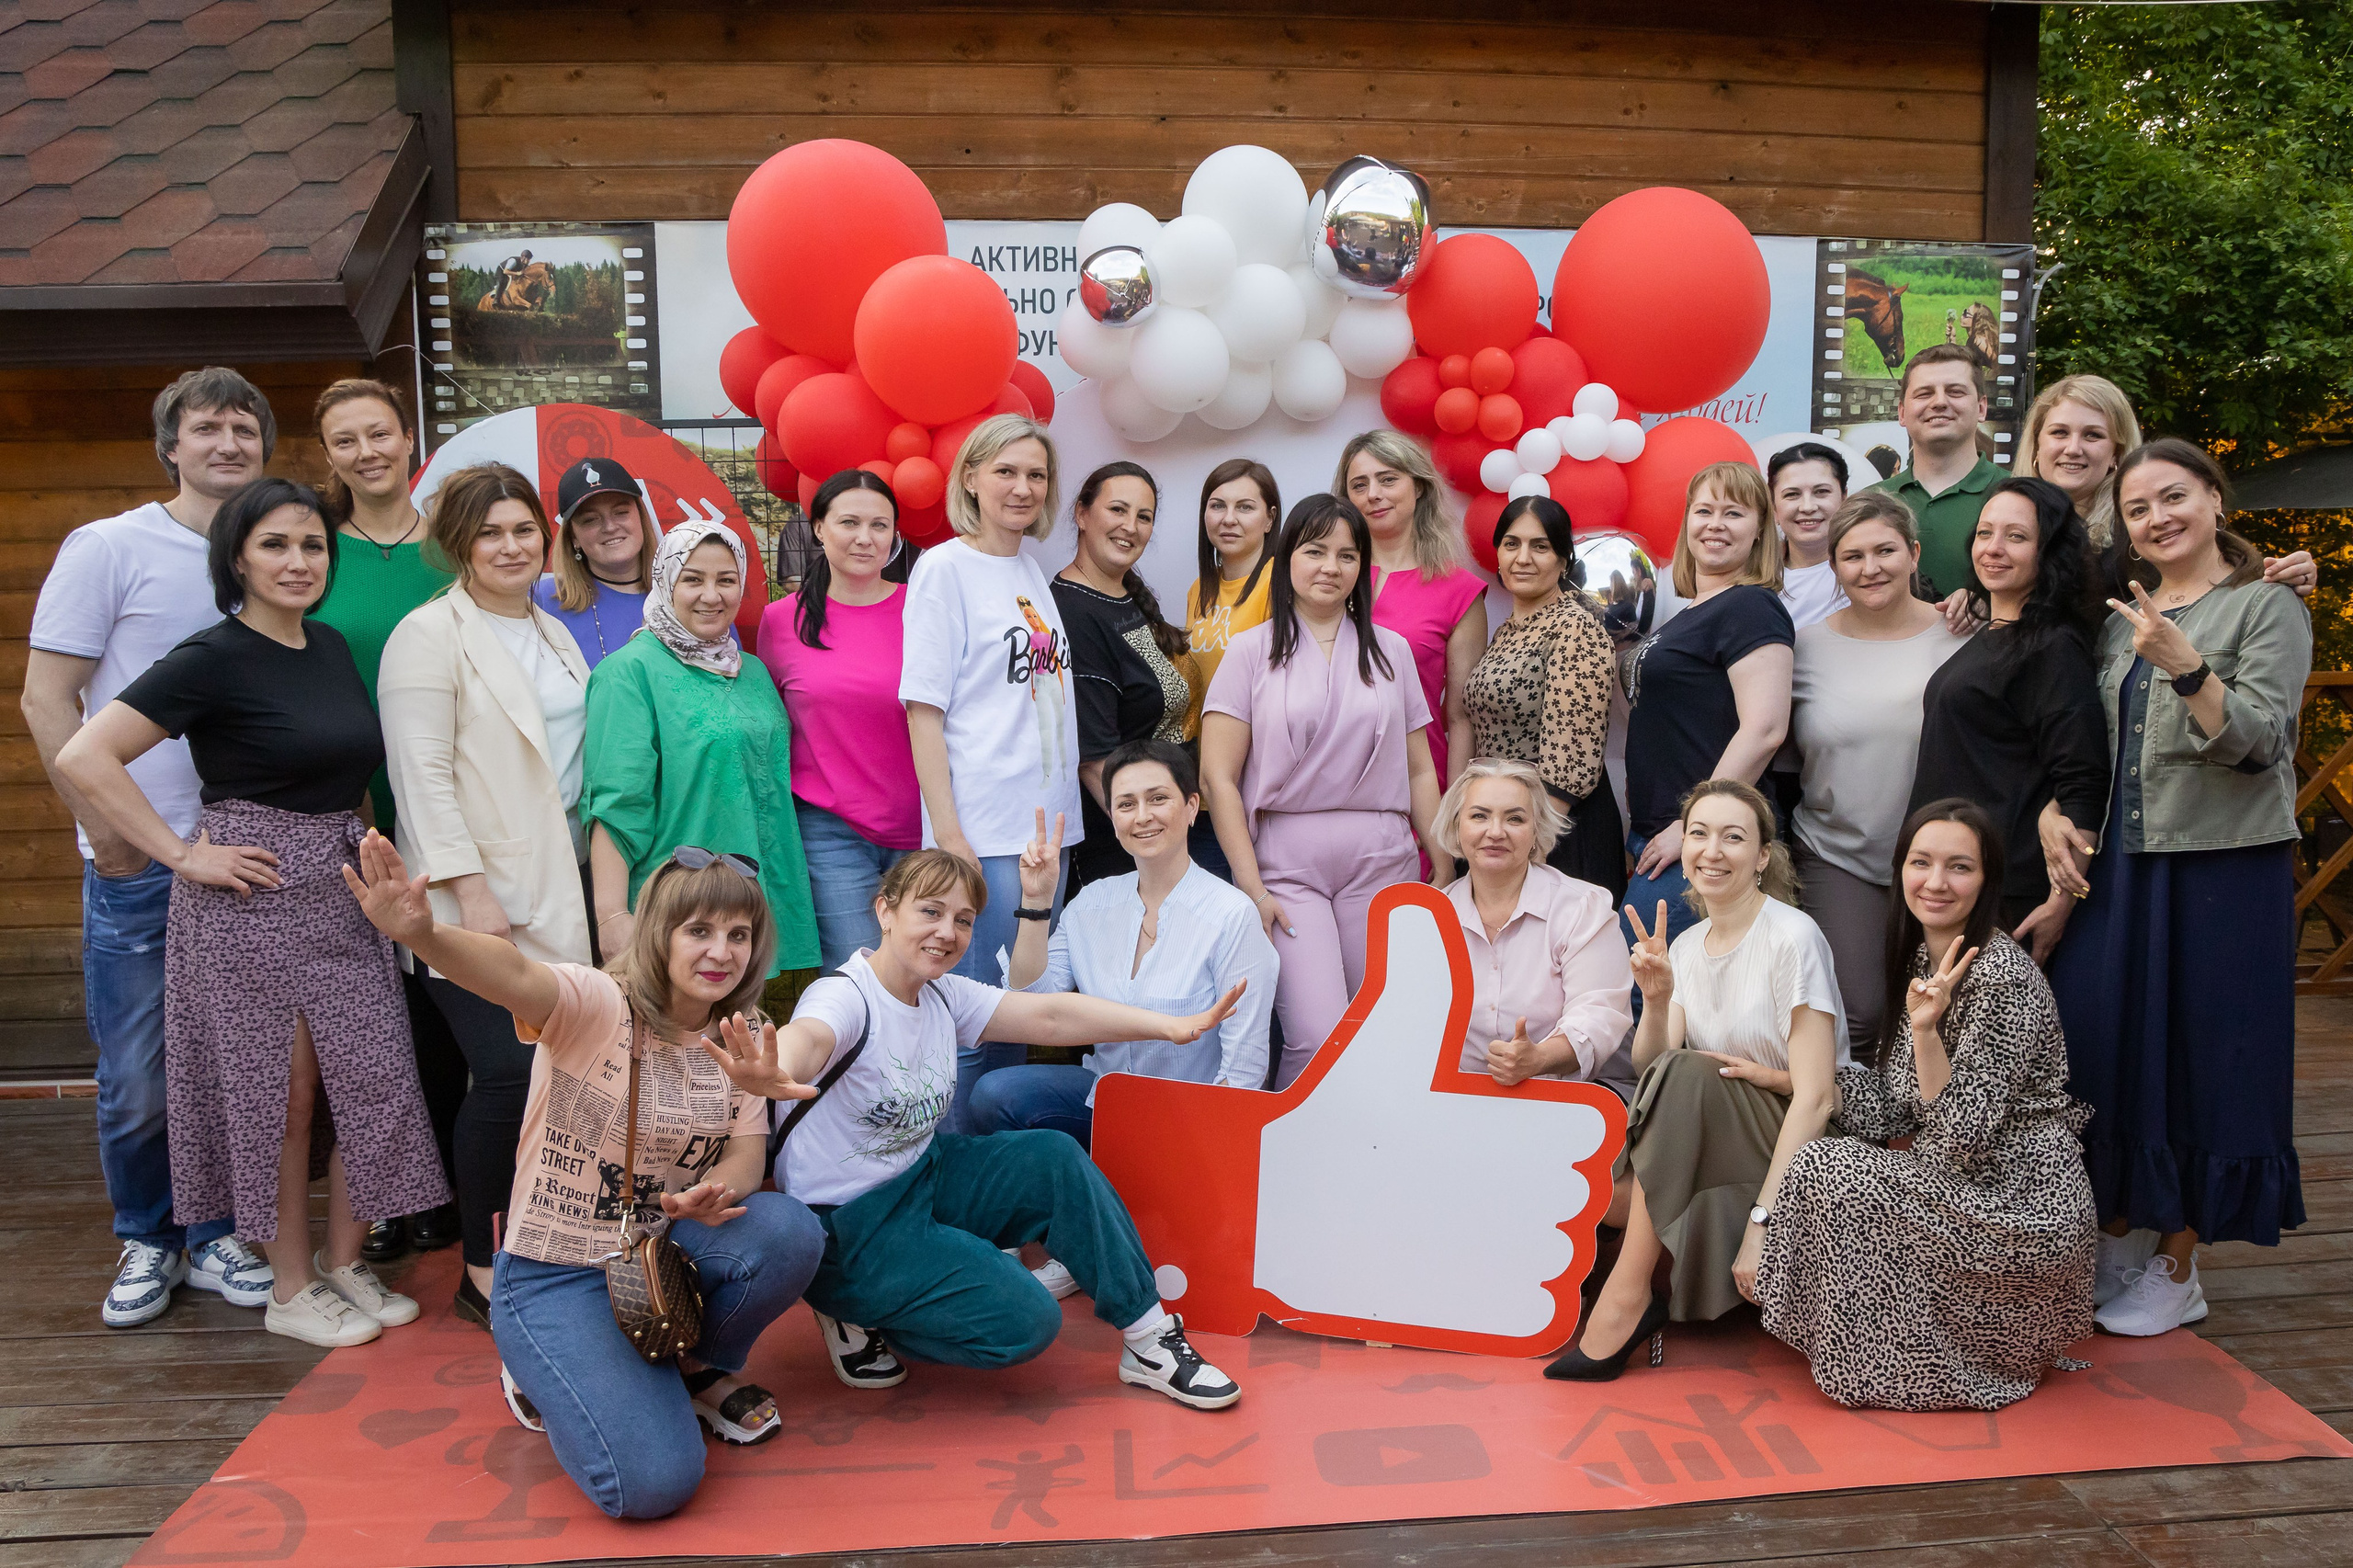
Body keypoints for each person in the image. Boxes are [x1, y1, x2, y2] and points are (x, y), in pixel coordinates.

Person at [57, 478, 448, 1348]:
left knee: (373, 1078)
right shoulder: (211, 655)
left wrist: (374, 853)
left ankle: (347, 1264)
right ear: (236, 557)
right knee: (287, 1096)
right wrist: (183, 854)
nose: (298, 561)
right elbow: (87, 755)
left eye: (312, 546)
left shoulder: (332, 646)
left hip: (345, 888)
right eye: (275, 545)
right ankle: (290, 1284)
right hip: (253, 891)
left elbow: (348, 772)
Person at [344, 835, 827, 1518]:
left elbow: (749, 1154)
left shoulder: (741, 1031)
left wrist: (718, 1190)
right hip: (555, 1273)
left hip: (656, 1257)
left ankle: (689, 1367)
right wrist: (424, 934)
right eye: (699, 930)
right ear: (660, 931)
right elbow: (512, 973)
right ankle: (545, 1368)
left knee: (789, 1231)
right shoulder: (597, 999)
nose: (722, 951)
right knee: (654, 1486)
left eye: (738, 934)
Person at [702, 848, 1245, 1411]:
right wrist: (775, 1068)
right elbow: (810, 1037)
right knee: (1025, 1323)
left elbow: (1052, 1016)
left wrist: (1173, 1028)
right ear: (885, 911)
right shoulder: (845, 995)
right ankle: (852, 1306)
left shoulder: (941, 992)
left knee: (1052, 1158)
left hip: (923, 1175)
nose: (948, 932)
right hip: (853, 1225)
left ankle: (1149, 1340)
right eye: (930, 912)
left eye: (963, 920)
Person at [24, 367, 278, 1327]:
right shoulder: (111, 547)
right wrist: (107, 830)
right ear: (170, 446)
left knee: (222, 1063)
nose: (226, 443)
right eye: (206, 428)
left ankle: (213, 1230)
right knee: (137, 1073)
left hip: (245, 858)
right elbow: (49, 699)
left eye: (243, 429)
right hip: (141, 859)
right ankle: (147, 1232)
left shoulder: (269, 552)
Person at [2047, 439, 2312, 1337]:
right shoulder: (2125, 613)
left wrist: (2186, 662)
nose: (2157, 517)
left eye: (2174, 497)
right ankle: (2122, 1229)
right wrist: (2058, 808)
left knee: (2209, 1054)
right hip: (2127, 857)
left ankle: (2179, 1260)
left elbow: (2259, 740)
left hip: (2222, 861)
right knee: (2113, 1042)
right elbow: (2091, 732)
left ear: (2212, 497)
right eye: (2137, 508)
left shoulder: (2266, 604)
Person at [1758, 800, 2096, 1411]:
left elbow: (1961, 1138)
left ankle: (1930, 1366)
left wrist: (1926, 1033)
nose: (1936, 882)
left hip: (2019, 1205)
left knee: (1824, 1168)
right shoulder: (1924, 956)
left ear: (1987, 879)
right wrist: (1794, 1080)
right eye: (1922, 862)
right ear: (1900, 870)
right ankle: (1876, 1355)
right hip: (1966, 1189)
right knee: (1820, 1148)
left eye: (1959, 867)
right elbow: (1893, 1108)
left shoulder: (2002, 977)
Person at [379, 462, 593, 1326]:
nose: (510, 546)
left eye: (523, 530)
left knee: (558, 1074)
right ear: (458, 543)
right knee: (506, 1076)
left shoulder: (554, 631)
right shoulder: (427, 636)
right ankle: (480, 1267)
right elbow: (420, 778)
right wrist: (470, 894)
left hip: (562, 883)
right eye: (490, 532)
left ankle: (550, 1242)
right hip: (477, 895)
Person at [1549, 778, 1842, 1381]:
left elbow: (1816, 1099)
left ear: (1763, 856)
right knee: (1584, 1176)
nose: (1712, 850)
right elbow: (1653, 1071)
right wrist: (1655, 1001)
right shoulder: (1683, 945)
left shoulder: (1793, 937)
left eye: (1733, 837)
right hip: (1698, 1139)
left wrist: (1762, 1225)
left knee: (1688, 1073)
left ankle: (1627, 1300)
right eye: (1699, 833)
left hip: (1787, 1142)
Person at [1200, 494, 1449, 1085]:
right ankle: (1305, 1170)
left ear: (1363, 566)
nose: (1330, 567)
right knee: (1316, 1036)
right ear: (1287, 558)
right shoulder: (1249, 651)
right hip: (1286, 868)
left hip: (1384, 858)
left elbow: (1419, 769)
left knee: (1387, 1030)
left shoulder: (1392, 651)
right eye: (1315, 551)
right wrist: (1251, 887)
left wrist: (1442, 855)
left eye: (1346, 554)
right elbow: (1218, 778)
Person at [306, 377, 464, 1266]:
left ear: (410, 440)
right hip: (348, 806)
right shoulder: (316, 549)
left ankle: (436, 1183)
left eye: (380, 434)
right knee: (373, 1017)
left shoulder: (450, 546)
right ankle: (383, 1190)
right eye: (345, 441)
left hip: (442, 802)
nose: (367, 453)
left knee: (440, 1004)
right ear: (328, 456)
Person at [900, 415, 1083, 1122]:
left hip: (1045, 833)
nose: (1022, 487)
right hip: (984, 835)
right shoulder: (945, 569)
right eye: (1005, 471)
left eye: (1035, 474)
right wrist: (950, 838)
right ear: (969, 478)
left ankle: (994, 1180)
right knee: (972, 1025)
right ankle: (956, 1179)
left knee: (1018, 1013)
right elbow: (924, 711)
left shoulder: (1029, 570)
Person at [970, 739, 1277, 1144]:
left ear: (1190, 808)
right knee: (995, 1095)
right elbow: (1031, 1001)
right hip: (1106, 1099)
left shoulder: (1231, 915)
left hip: (1191, 1116)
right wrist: (1037, 904)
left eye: (1158, 798)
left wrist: (1207, 1153)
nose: (1143, 816)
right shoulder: (1092, 903)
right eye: (1126, 804)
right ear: (1112, 818)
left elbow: (1243, 1071)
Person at [584, 519, 820, 976]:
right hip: (678, 910)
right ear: (666, 582)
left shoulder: (751, 672)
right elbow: (615, 805)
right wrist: (612, 917)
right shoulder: (629, 673)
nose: (711, 595)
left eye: (726, 580)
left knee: (743, 1043)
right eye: (692, 579)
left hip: (751, 908)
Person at [1790, 494, 1968, 1052]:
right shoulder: (1802, 647)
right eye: (1852, 556)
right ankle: (1852, 1137)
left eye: (1885, 550)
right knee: (1860, 1015)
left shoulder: (1964, 635)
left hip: (1943, 860)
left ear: (1913, 553)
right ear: (1834, 567)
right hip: (1838, 852)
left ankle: (1933, 1138)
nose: (1871, 568)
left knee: (1949, 1016)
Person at [1907, 477, 2107, 958]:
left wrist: (2062, 901)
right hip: (1951, 883)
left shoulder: (2051, 646)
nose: (1993, 549)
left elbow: (2082, 782)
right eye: (1984, 533)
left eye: (2016, 537)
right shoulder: (1993, 633)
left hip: (2006, 891)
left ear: (2049, 551)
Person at [1620, 462, 1793, 950]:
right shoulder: (1692, 611)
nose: (1715, 523)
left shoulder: (1750, 606)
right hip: (1664, 833)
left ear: (1760, 529)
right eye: (1704, 511)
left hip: (1709, 843)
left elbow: (1765, 729)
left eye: (1734, 512)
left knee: (1655, 1000)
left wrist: (1696, 829)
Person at [759, 471, 919, 971]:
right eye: (849, 522)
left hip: (922, 826)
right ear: (819, 529)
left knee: (926, 974)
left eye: (880, 525)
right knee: (858, 979)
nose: (865, 538)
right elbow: (773, 725)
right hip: (831, 831)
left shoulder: (923, 610)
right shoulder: (780, 621)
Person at [1437, 758, 1633, 1090]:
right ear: (1457, 827)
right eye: (1479, 816)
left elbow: (1598, 1015)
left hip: (1559, 1097)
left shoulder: (1581, 908)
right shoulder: (1431, 917)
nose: (1495, 832)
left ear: (1536, 831)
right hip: (1452, 1101)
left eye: (1514, 818)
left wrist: (1539, 1058)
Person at [1464, 495, 1622, 899]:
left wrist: (1534, 847)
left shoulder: (1574, 627)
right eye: (1512, 544)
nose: (1523, 558)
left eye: (1541, 546)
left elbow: (1573, 752)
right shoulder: (1507, 630)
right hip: (1510, 829)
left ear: (1563, 560)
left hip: (1559, 832)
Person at [1052, 463, 1193, 889]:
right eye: (1117, 510)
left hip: (1162, 829)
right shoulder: (1073, 612)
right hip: (1123, 847)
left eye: (1144, 516)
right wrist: (1149, 839)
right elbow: (1092, 758)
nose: (1130, 527)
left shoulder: (1121, 595)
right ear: (1082, 514)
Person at [1336, 430, 1486, 784]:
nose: (1373, 494)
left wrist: (1455, 806)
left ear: (1419, 487)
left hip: (1418, 782)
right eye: (1359, 485)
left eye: (1388, 479)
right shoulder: (1326, 576)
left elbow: (1461, 718)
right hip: (1327, 776)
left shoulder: (1460, 590)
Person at [1182, 460, 1282, 879]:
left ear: (1269, 518)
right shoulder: (1199, 590)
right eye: (1217, 505)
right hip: (1205, 787)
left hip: (1258, 793)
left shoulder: (1282, 582)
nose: (1228, 519)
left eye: (1245, 507)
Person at [1865, 345, 2004, 604]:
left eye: (1955, 392)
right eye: (1924, 393)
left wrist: (1988, 603)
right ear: (1902, 413)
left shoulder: (2019, 495)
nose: (1939, 402)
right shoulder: (1871, 502)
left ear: (1982, 408)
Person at [532, 458, 655, 667]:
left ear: (641, 518)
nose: (609, 527)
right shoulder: (541, 601)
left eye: (621, 513)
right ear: (573, 538)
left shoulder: (685, 594)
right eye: (590, 519)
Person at [1767, 442, 1851, 629]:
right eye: (1792, 494)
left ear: (1844, 498)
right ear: (1774, 506)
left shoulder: (1869, 571)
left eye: (1821, 492)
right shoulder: (1752, 578)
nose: (1808, 507)